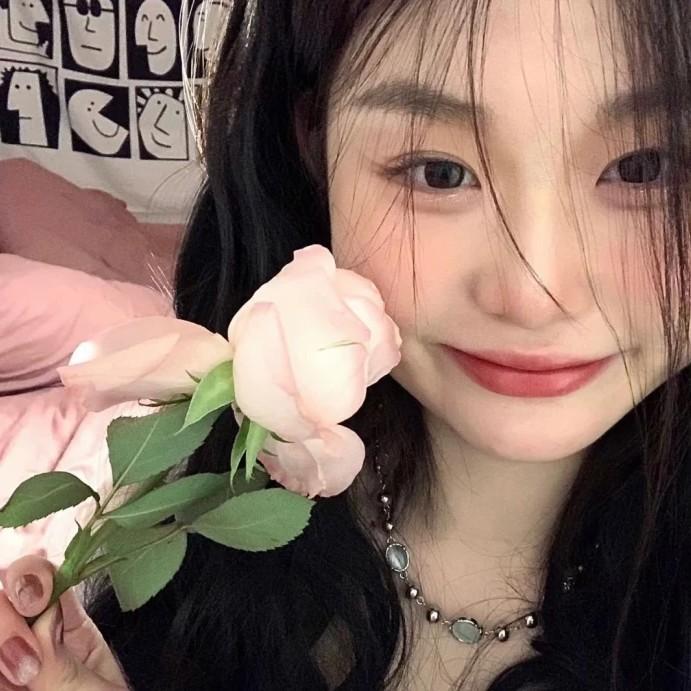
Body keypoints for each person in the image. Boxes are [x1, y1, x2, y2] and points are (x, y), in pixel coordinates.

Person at [1, 0, 690, 689]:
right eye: (439, 171)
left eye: (644, 168)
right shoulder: (198, 519)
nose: (534, 296)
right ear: (316, 150)